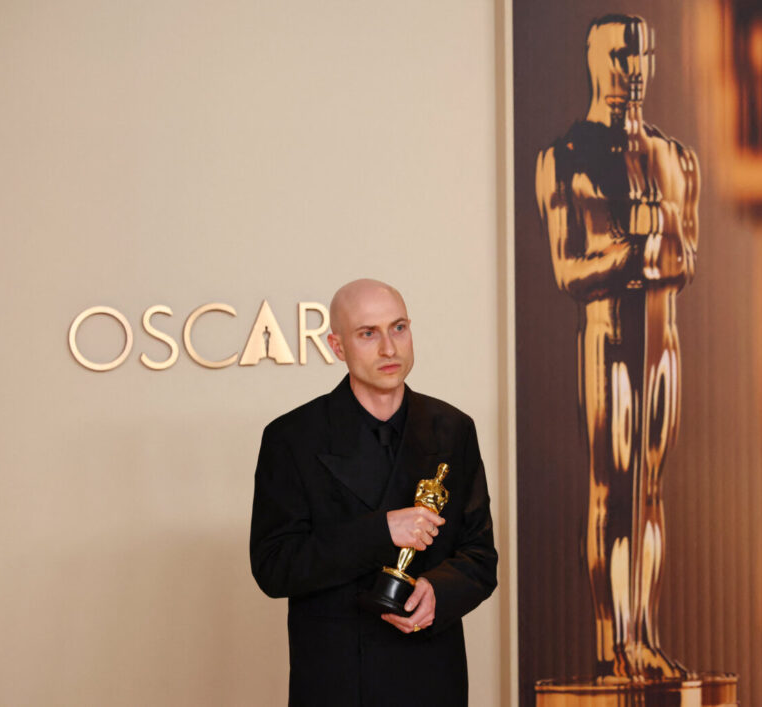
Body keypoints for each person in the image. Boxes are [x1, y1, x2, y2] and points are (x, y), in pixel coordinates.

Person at [535, 15, 699, 681]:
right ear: (593, 59)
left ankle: (645, 634)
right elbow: (571, 270)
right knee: (614, 483)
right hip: (607, 335)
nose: (631, 70)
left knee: (650, 487)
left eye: (641, 56)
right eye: (618, 55)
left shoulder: (675, 156)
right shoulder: (567, 154)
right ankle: (619, 641)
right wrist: (641, 248)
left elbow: (686, 258)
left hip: (664, 339)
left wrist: (637, 248)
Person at [250, 279, 497, 706]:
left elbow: (480, 556)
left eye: (398, 328)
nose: (389, 348)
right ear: (337, 346)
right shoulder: (292, 437)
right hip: (336, 682)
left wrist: (439, 591)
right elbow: (274, 568)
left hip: (432, 678)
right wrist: (381, 532)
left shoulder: (453, 428)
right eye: (368, 333)